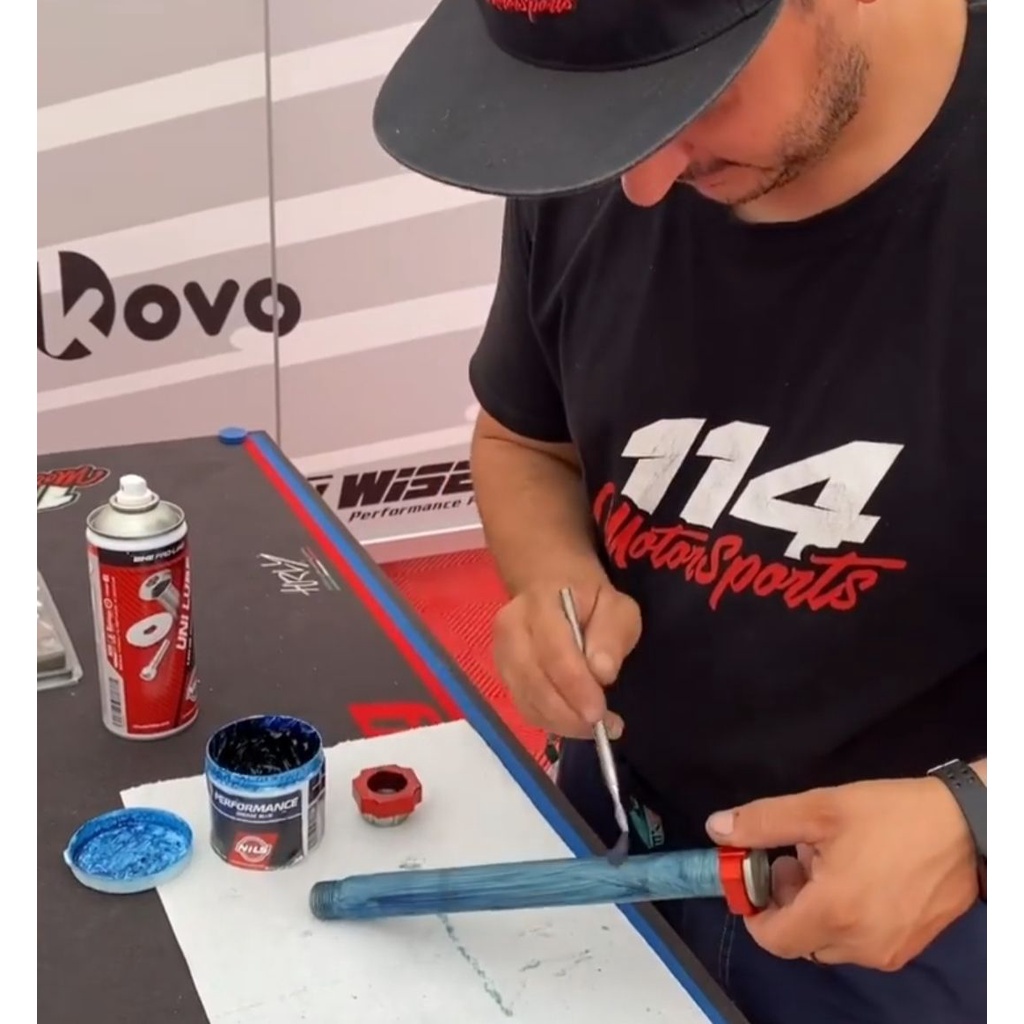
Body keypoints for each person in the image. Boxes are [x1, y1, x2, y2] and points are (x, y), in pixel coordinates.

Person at [373, 1, 987, 1022]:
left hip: (920, 913)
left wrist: (975, 819)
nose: (643, 183)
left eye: (691, 92)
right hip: (616, 830)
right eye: (611, 119)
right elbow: (526, 441)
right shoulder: (616, 154)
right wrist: (552, 575)